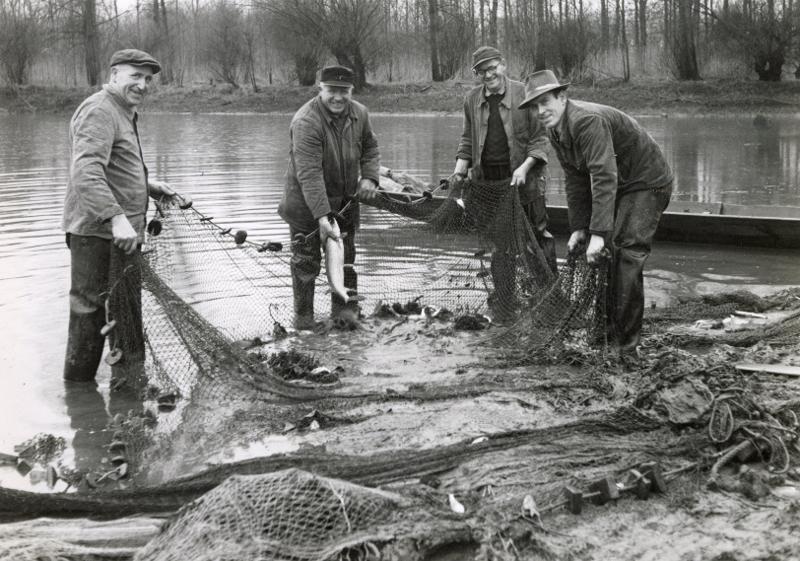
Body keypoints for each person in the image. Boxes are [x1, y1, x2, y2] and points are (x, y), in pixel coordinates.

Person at [518, 69, 673, 355]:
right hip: (622, 184)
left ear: (562, 97)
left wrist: (599, 233)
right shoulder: (555, 129)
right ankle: (604, 336)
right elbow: (576, 179)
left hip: (647, 182)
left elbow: (603, 176)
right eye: (534, 106)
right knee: (606, 255)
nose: (540, 111)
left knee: (626, 251)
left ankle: (625, 347)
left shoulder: (587, 121)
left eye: (545, 102)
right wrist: (580, 228)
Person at [62, 49, 190, 386]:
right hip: (97, 232)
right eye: (135, 76)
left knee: (126, 312)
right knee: (90, 313)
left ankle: (129, 388)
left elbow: (113, 169)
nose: (143, 85)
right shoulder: (100, 110)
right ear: (115, 74)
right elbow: (86, 172)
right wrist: (115, 218)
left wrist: (148, 186)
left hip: (124, 233)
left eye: (147, 79)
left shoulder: (123, 111)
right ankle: (78, 393)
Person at [451, 46, 557, 320]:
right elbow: (467, 139)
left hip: (527, 181)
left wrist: (524, 168)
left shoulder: (525, 93)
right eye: (482, 71)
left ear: (503, 65)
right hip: (489, 186)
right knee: (501, 246)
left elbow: (540, 139)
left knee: (537, 239)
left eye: (492, 67)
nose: (488, 74)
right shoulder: (471, 99)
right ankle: (505, 302)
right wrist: (459, 170)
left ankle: (549, 298)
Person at [278, 65, 380, 330]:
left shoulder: (360, 113)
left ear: (351, 91)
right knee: (305, 266)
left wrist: (370, 176)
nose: (338, 97)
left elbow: (370, 147)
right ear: (320, 88)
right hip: (305, 207)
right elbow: (309, 174)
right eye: (332, 90)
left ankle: (345, 318)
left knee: (346, 263)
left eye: (344, 91)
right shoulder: (306, 121)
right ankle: (303, 325)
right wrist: (322, 216)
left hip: (345, 203)